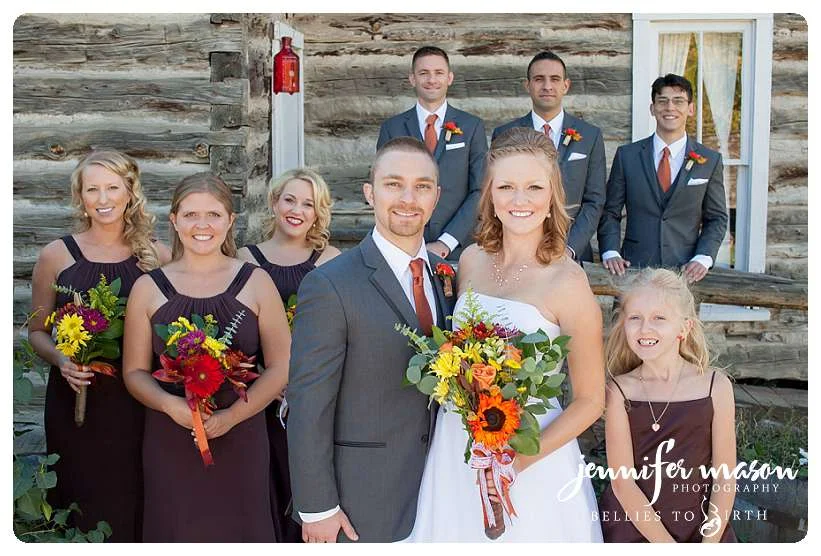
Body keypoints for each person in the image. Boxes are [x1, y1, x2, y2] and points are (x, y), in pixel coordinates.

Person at [409, 127, 604, 541]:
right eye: (507, 187)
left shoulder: (568, 281)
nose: (520, 200)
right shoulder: (472, 261)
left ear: (552, 196)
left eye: (534, 187)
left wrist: (514, 462)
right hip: (457, 449)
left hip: (531, 455)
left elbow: (590, 401)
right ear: (490, 195)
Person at [286, 137, 456, 542]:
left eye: (422, 186)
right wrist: (317, 507)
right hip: (359, 503)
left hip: (441, 493)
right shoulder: (330, 284)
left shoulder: (446, 277)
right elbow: (308, 405)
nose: (408, 198)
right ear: (370, 193)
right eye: (393, 184)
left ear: (436, 197)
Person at [122, 173, 290, 541]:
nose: (202, 225)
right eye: (191, 215)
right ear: (174, 220)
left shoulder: (256, 282)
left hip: (242, 435)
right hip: (171, 437)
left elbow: (280, 368)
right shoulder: (148, 288)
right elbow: (134, 372)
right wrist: (169, 406)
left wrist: (233, 416)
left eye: (213, 215)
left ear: (230, 220)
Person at [29, 149, 171, 541]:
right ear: (80, 195)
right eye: (93, 189)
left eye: (113, 188)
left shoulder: (157, 256)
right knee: (81, 500)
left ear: (130, 192)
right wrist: (61, 359)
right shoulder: (57, 256)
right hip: (78, 402)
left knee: (138, 499)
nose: (103, 199)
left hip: (140, 404)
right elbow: (37, 331)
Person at [237, 167, 340, 542]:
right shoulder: (246, 258)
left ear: (319, 212)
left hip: (309, 393)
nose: (297, 210)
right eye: (290, 199)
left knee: (304, 474)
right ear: (274, 203)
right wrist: (269, 376)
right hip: (256, 388)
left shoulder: (329, 259)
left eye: (308, 204)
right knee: (264, 478)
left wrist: (299, 380)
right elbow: (236, 326)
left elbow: (333, 333)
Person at [598, 268, 737, 542]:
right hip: (635, 529)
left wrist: (710, 542)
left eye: (659, 318)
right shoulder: (619, 391)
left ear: (685, 328)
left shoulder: (715, 387)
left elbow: (725, 478)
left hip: (701, 529)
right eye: (635, 318)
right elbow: (623, 483)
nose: (645, 328)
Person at [597, 73, 728, 283]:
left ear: (691, 109)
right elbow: (610, 211)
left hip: (685, 275)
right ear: (652, 108)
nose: (670, 107)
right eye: (662, 101)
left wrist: (703, 257)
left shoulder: (710, 161)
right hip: (632, 271)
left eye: (678, 101)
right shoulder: (627, 156)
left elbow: (717, 218)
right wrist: (611, 252)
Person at [492, 51, 606, 263]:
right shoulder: (505, 134)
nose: (547, 86)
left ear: (566, 85)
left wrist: (568, 248)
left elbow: (595, 200)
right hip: (517, 251)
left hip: (572, 252)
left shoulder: (590, 136)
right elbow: (499, 193)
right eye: (539, 79)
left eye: (554, 79)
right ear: (527, 85)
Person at [377, 45, 488, 261]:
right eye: (423, 73)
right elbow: (383, 185)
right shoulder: (392, 127)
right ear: (412, 79)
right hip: (402, 245)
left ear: (450, 78)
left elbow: (480, 190)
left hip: (459, 247)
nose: (431, 80)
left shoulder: (472, 126)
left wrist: (446, 242)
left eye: (439, 73)